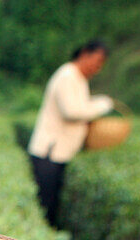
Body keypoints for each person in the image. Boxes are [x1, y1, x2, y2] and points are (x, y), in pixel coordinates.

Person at [28, 40, 113, 227]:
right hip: (49, 153)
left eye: (101, 65)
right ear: (84, 54)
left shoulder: (78, 79)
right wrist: (102, 105)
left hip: (59, 154)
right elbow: (72, 112)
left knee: (52, 204)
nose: (97, 68)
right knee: (45, 207)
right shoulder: (67, 75)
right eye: (97, 61)